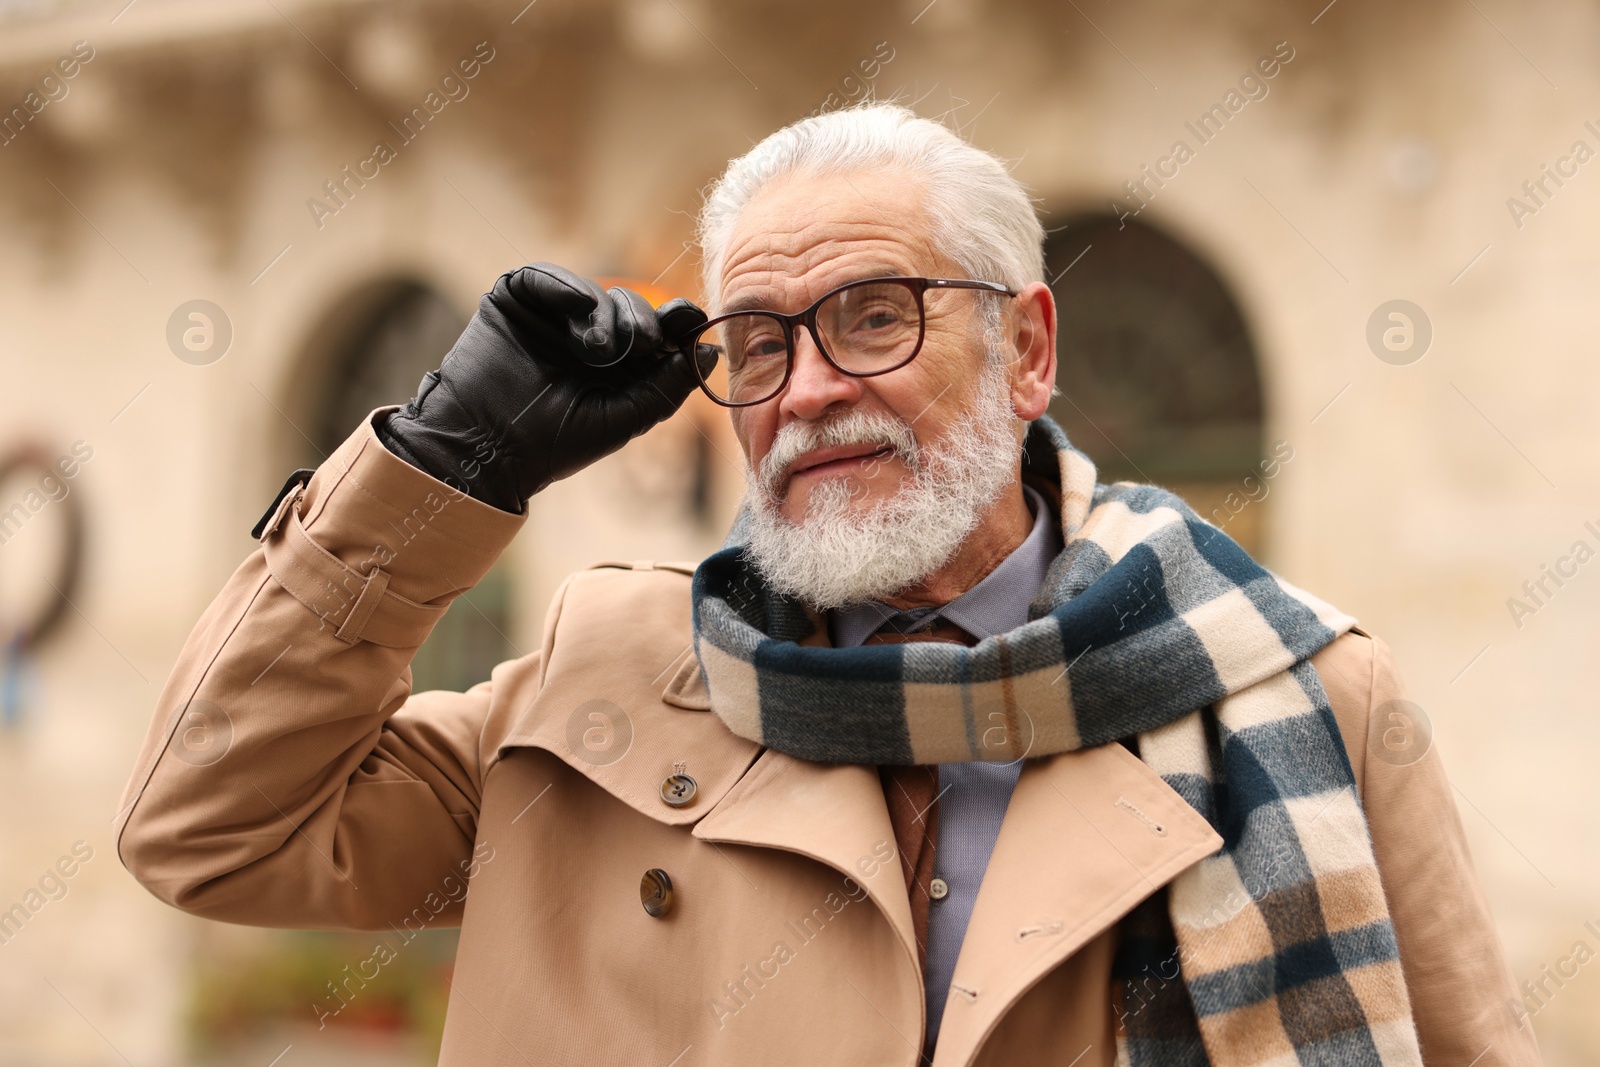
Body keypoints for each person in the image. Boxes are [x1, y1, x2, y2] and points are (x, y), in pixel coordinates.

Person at [117, 104, 1539, 1066]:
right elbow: (210, 827)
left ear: (1029, 350)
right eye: (758, 341)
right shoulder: (609, 672)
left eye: (875, 317)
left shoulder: (1302, 694)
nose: (808, 393)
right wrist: (443, 468)